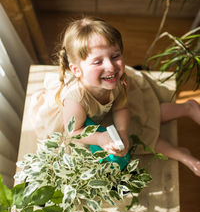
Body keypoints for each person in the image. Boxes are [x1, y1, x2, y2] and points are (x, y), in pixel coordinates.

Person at [30, 16, 200, 176]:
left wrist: (123, 132)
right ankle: (180, 153)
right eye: (98, 62)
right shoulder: (75, 100)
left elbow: (122, 107)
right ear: (77, 70)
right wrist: (99, 138)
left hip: (107, 113)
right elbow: (74, 132)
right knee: (137, 137)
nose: (110, 66)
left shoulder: (116, 81)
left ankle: (188, 108)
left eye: (115, 56)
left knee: (142, 120)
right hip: (82, 125)